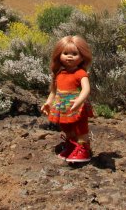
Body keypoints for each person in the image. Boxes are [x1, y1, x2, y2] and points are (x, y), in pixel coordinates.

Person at [41, 35, 94, 163]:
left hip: (77, 106)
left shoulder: (80, 73)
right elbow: (54, 91)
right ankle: (71, 144)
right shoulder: (59, 74)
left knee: (81, 127)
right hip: (62, 105)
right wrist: (48, 102)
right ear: (59, 55)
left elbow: (86, 89)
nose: (69, 56)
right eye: (65, 53)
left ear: (82, 56)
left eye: (75, 54)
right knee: (66, 127)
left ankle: (83, 149)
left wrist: (79, 101)